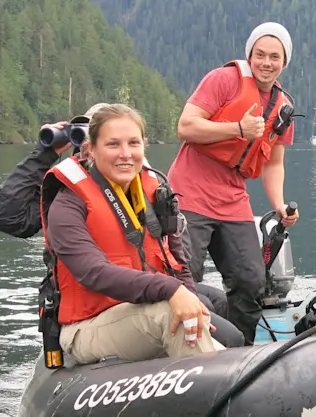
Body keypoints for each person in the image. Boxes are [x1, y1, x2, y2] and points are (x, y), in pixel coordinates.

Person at [0, 104, 244, 348]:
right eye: (109, 141)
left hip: (146, 287)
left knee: (215, 304)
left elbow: (176, 257)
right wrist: (44, 153)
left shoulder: (146, 185)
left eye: (130, 141)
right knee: (212, 325)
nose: (123, 152)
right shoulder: (69, 195)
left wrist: (185, 294)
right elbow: (7, 217)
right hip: (98, 305)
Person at [41, 103, 224, 364]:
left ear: (144, 146)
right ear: (91, 148)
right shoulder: (68, 203)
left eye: (133, 143)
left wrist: (189, 298)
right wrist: (171, 290)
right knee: (169, 314)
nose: (125, 154)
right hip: (87, 326)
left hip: (141, 311)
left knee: (224, 331)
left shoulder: (155, 192)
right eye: (113, 144)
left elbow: (177, 264)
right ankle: (220, 396)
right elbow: (93, 273)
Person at [169, 22, 300, 344]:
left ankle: (236, 349)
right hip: (190, 191)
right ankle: (183, 349)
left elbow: (273, 163)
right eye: (259, 55)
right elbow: (186, 127)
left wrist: (279, 204)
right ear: (249, 55)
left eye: (274, 57)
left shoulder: (283, 106)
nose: (266, 63)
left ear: (285, 62)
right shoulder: (223, 79)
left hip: (233, 195)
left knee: (251, 280)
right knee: (185, 276)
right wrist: (237, 129)